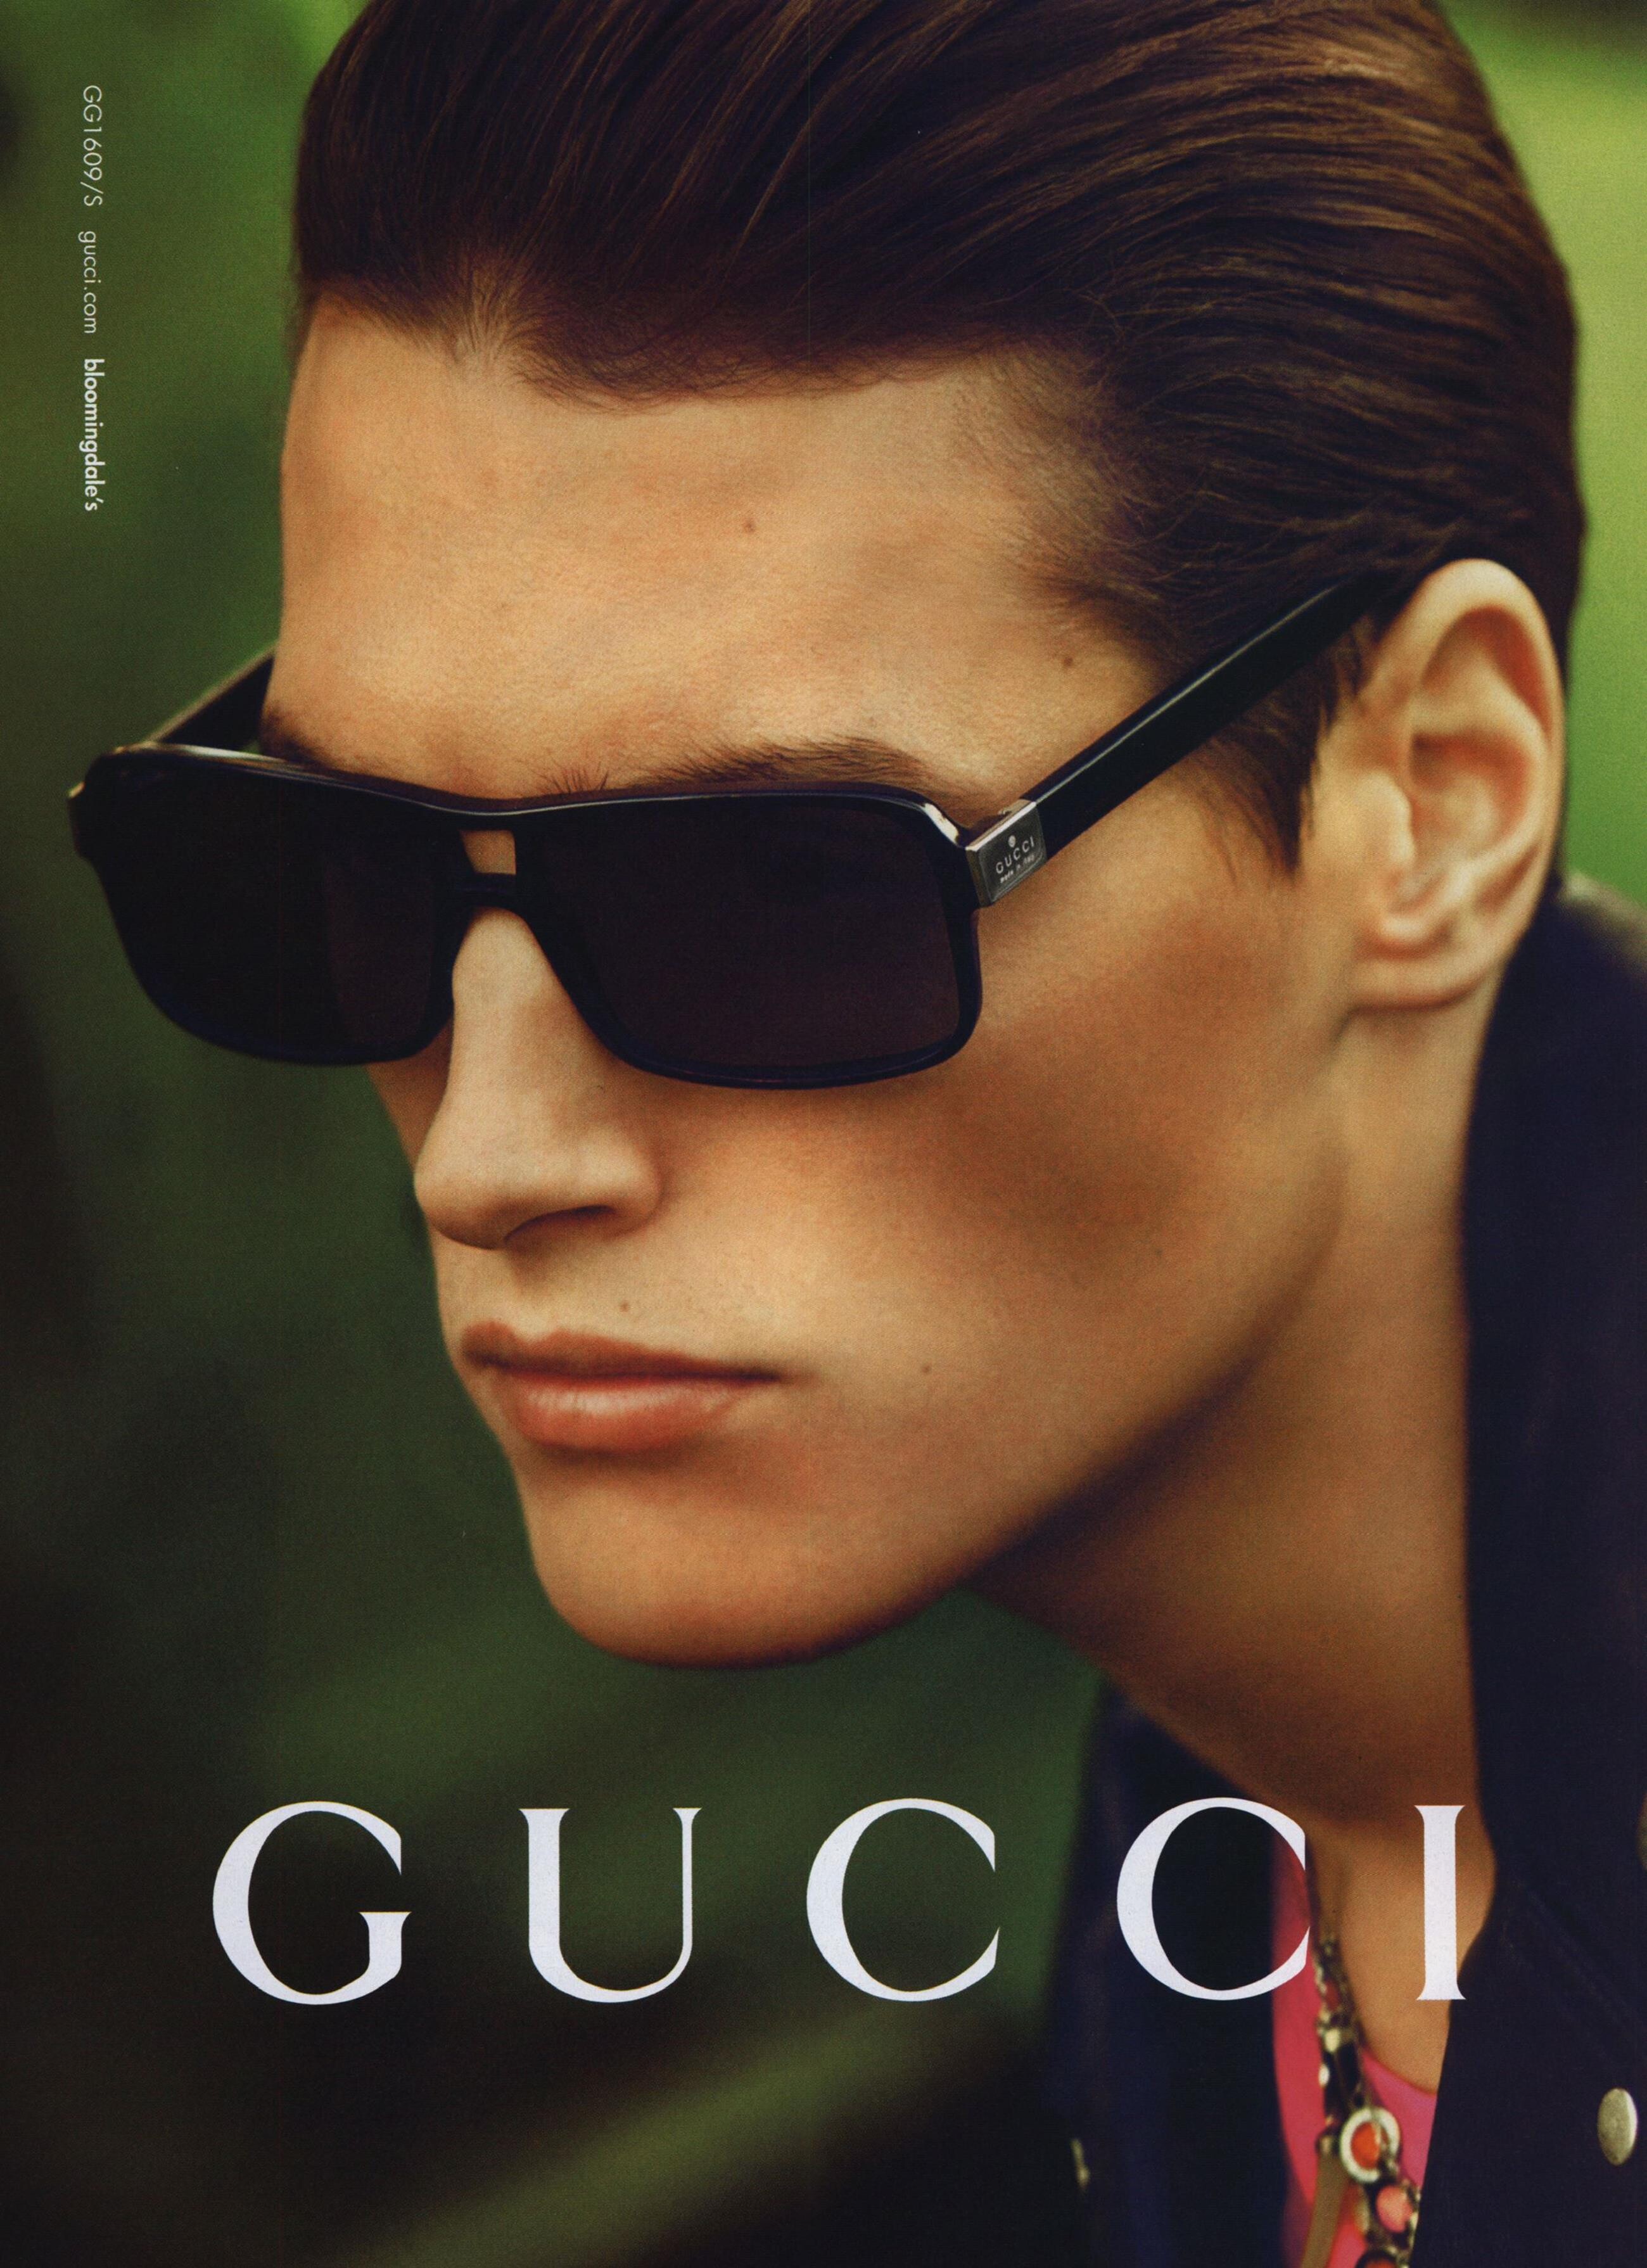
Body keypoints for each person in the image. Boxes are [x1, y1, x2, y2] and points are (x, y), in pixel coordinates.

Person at [69, 1, 1646, 2260]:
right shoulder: (1218, 1865)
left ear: (1437, 798)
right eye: (340, 873)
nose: (490, 1156)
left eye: (781, 898)